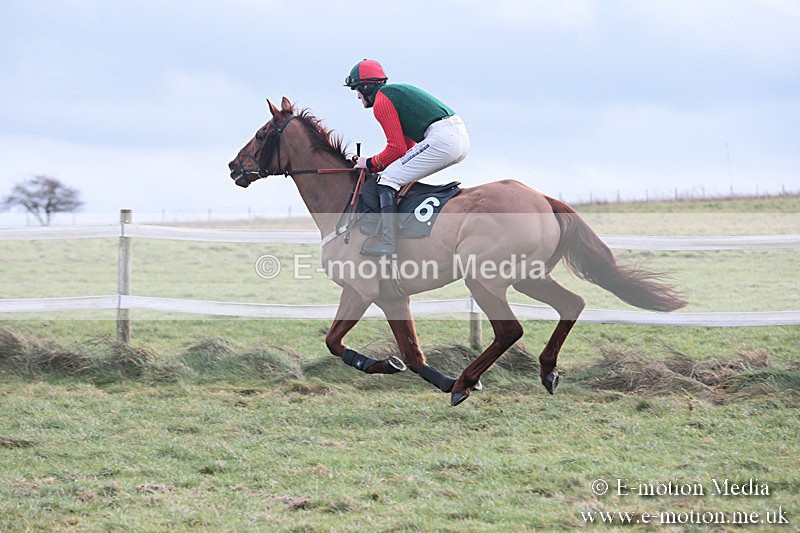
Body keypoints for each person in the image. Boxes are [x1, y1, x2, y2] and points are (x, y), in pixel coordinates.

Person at [344, 59, 470, 256]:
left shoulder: (381, 102)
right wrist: (378, 164)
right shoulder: (392, 94)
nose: (357, 96)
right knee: (395, 174)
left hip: (442, 138)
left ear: (366, 86)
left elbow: (396, 149)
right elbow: (406, 149)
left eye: (357, 89)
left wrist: (367, 163)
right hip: (456, 136)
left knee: (387, 180)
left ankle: (388, 243)